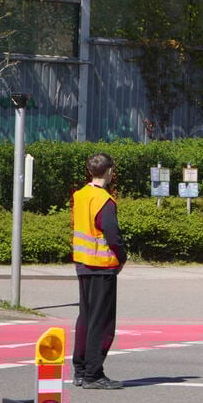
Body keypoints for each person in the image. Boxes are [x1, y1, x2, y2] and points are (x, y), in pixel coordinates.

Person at [71, 153, 127, 390]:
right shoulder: (104, 199)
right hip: (102, 266)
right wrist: (122, 257)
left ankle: (81, 370)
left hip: (83, 263)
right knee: (101, 322)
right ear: (109, 172)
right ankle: (94, 373)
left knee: (85, 318)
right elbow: (112, 233)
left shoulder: (80, 195)